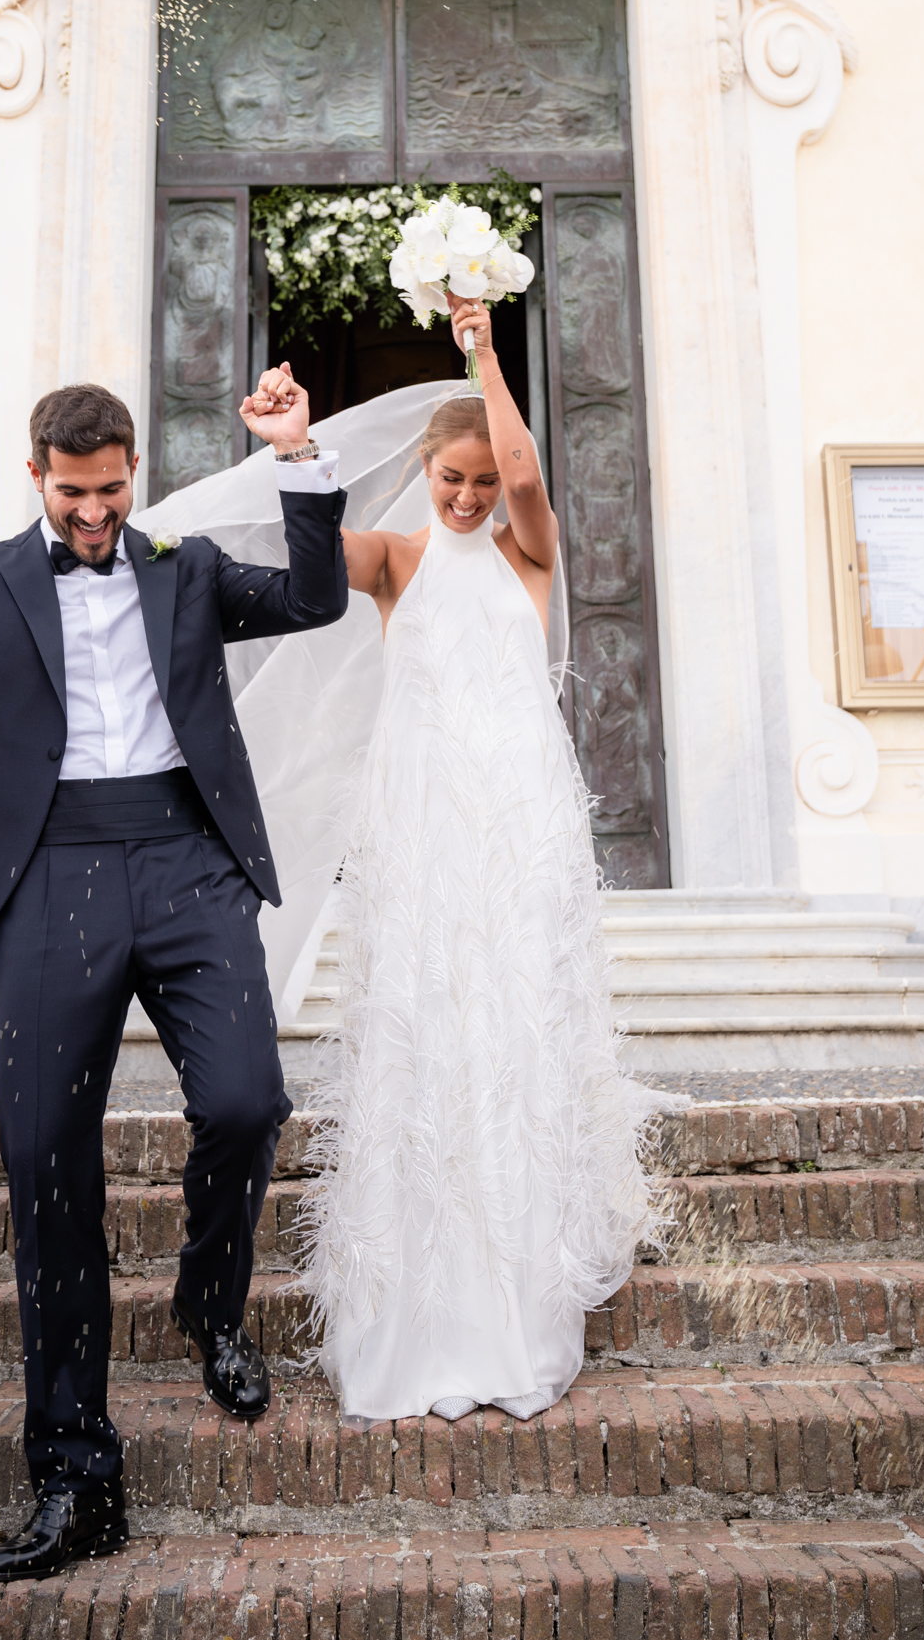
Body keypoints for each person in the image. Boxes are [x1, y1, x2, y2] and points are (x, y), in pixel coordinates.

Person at [0, 374, 346, 1580]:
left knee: (250, 1102)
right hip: (47, 876)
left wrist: (298, 453)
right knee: (49, 1165)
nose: (97, 514)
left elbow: (316, 595)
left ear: (130, 473)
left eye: (113, 491)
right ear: (37, 473)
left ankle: (210, 1304)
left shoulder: (185, 564)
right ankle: (74, 1475)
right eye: (76, 493)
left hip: (189, 862)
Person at [299, 293, 671, 1424]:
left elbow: (522, 473)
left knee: (510, 1042)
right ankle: (412, 1312)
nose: (466, 496)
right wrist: (297, 449)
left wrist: (481, 352)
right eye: (447, 478)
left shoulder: (528, 556)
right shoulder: (393, 562)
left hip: (516, 827)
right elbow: (311, 544)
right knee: (425, 1036)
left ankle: (513, 1300)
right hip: (423, 828)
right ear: (419, 472)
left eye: (475, 479)